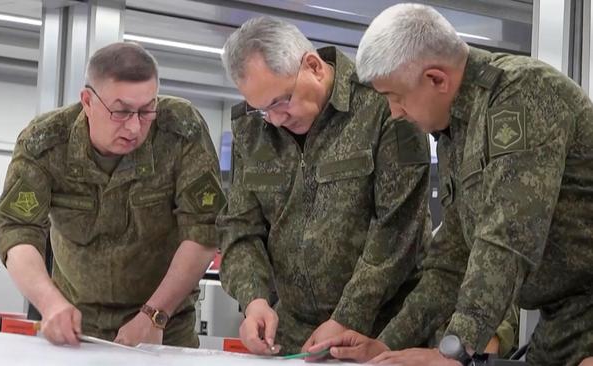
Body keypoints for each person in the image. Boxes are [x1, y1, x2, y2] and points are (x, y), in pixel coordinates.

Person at [308, 4, 593, 366]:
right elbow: (452, 256)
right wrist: (389, 343)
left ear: (436, 79)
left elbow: (508, 235)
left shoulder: (521, 94)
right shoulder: (455, 130)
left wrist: (456, 350)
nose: (395, 112)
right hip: (563, 323)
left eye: (395, 97)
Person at [215, 16, 432, 356]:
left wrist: (348, 315)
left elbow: (398, 232)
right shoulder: (253, 129)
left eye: (280, 102)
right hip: (293, 338)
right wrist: (254, 298)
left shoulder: (384, 104)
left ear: (313, 66)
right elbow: (240, 227)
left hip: (382, 333)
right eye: (262, 110)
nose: (274, 119)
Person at [0, 42, 224, 348]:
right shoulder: (45, 142)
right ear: (88, 101)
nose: (134, 126)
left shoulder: (180, 130)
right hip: (77, 327)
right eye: (121, 111)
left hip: (163, 327)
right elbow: (16, 231)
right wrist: (50, 304)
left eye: (146, 110)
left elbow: (204, 230)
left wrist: (154, 315)